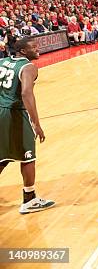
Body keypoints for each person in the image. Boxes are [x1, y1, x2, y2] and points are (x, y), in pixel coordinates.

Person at [0, 37, 55, 214]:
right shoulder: (28, 67)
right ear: (23, 51)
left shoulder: (3, 61)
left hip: (1, 109)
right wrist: (36, 123)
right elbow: (25, 93)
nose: (38, 49)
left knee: (3, 156)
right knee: (27, 156)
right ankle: (29, 200)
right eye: (34, 47)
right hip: (15, 113)